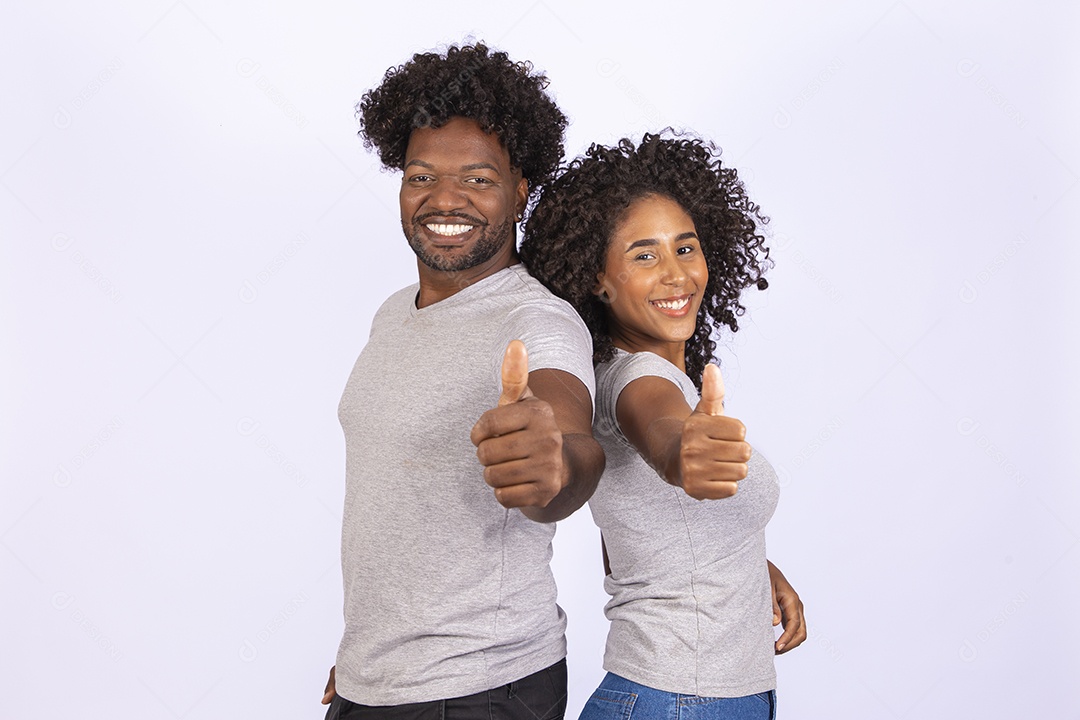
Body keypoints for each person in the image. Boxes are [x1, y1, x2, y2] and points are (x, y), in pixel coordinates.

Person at [322, 43, 604, 719]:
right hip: (378, 679)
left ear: (519, 194)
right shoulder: (394, 313)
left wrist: (555, 463)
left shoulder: (539, 320)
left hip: (480, 691)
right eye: (421, 176)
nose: (444, 199)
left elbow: (569, 436)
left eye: (477, 180)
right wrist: (369, 660)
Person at [520, 133, 806, 719]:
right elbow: (667, 437)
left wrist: (754, 566)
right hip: (677, 700)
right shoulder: (640, 384)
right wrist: (684, 453)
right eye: (644, 255)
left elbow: (633, 540)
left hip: (688, 694)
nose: (676, 275)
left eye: (686, 247)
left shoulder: (625, 375)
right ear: (598, 279)